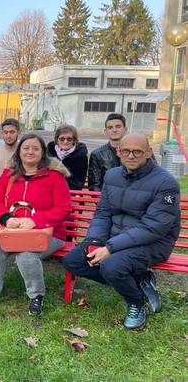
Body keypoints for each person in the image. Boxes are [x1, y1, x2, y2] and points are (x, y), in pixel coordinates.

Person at [62, 133, 180, 330]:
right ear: (118, 152)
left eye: (137, 151)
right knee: (72, 260)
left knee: (111, 266)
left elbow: (154, 227)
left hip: (153, 243)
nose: (131, 156)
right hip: (115, 238)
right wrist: (96, 241)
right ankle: (138, 279)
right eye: (126, 151)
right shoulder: (113, 175)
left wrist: (109, 248)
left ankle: (136, 302)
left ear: (148, 152)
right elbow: (103, 212)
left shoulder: (166, 184)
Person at [0, 133, 71, 316]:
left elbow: (63, 208)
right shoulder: (9, 175)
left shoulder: (54, 177)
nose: (30, 152)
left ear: (43, 152)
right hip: (11, 228)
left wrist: (35, 221)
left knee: (26, 254)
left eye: (35, 148)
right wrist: (6, 219)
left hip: (48, 233)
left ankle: (36, 296)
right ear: (19, 152)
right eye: (26, 148)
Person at [87, 113, 126, 191]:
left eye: (118, 126)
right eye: (110, 127)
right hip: (107, 199)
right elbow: (95, 185)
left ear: (125, 129)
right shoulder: (97, 154)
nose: (114, 130)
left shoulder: (138, 150)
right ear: (105, 131)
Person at [46, 124, 88, 190]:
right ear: (57, 140)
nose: (65, 142)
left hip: (70, 192)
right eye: (62, 139)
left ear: (74, 140)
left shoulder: (80, 156)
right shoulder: (49, 152)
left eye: (69, 139)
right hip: (49, 190)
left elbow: (78, 182)